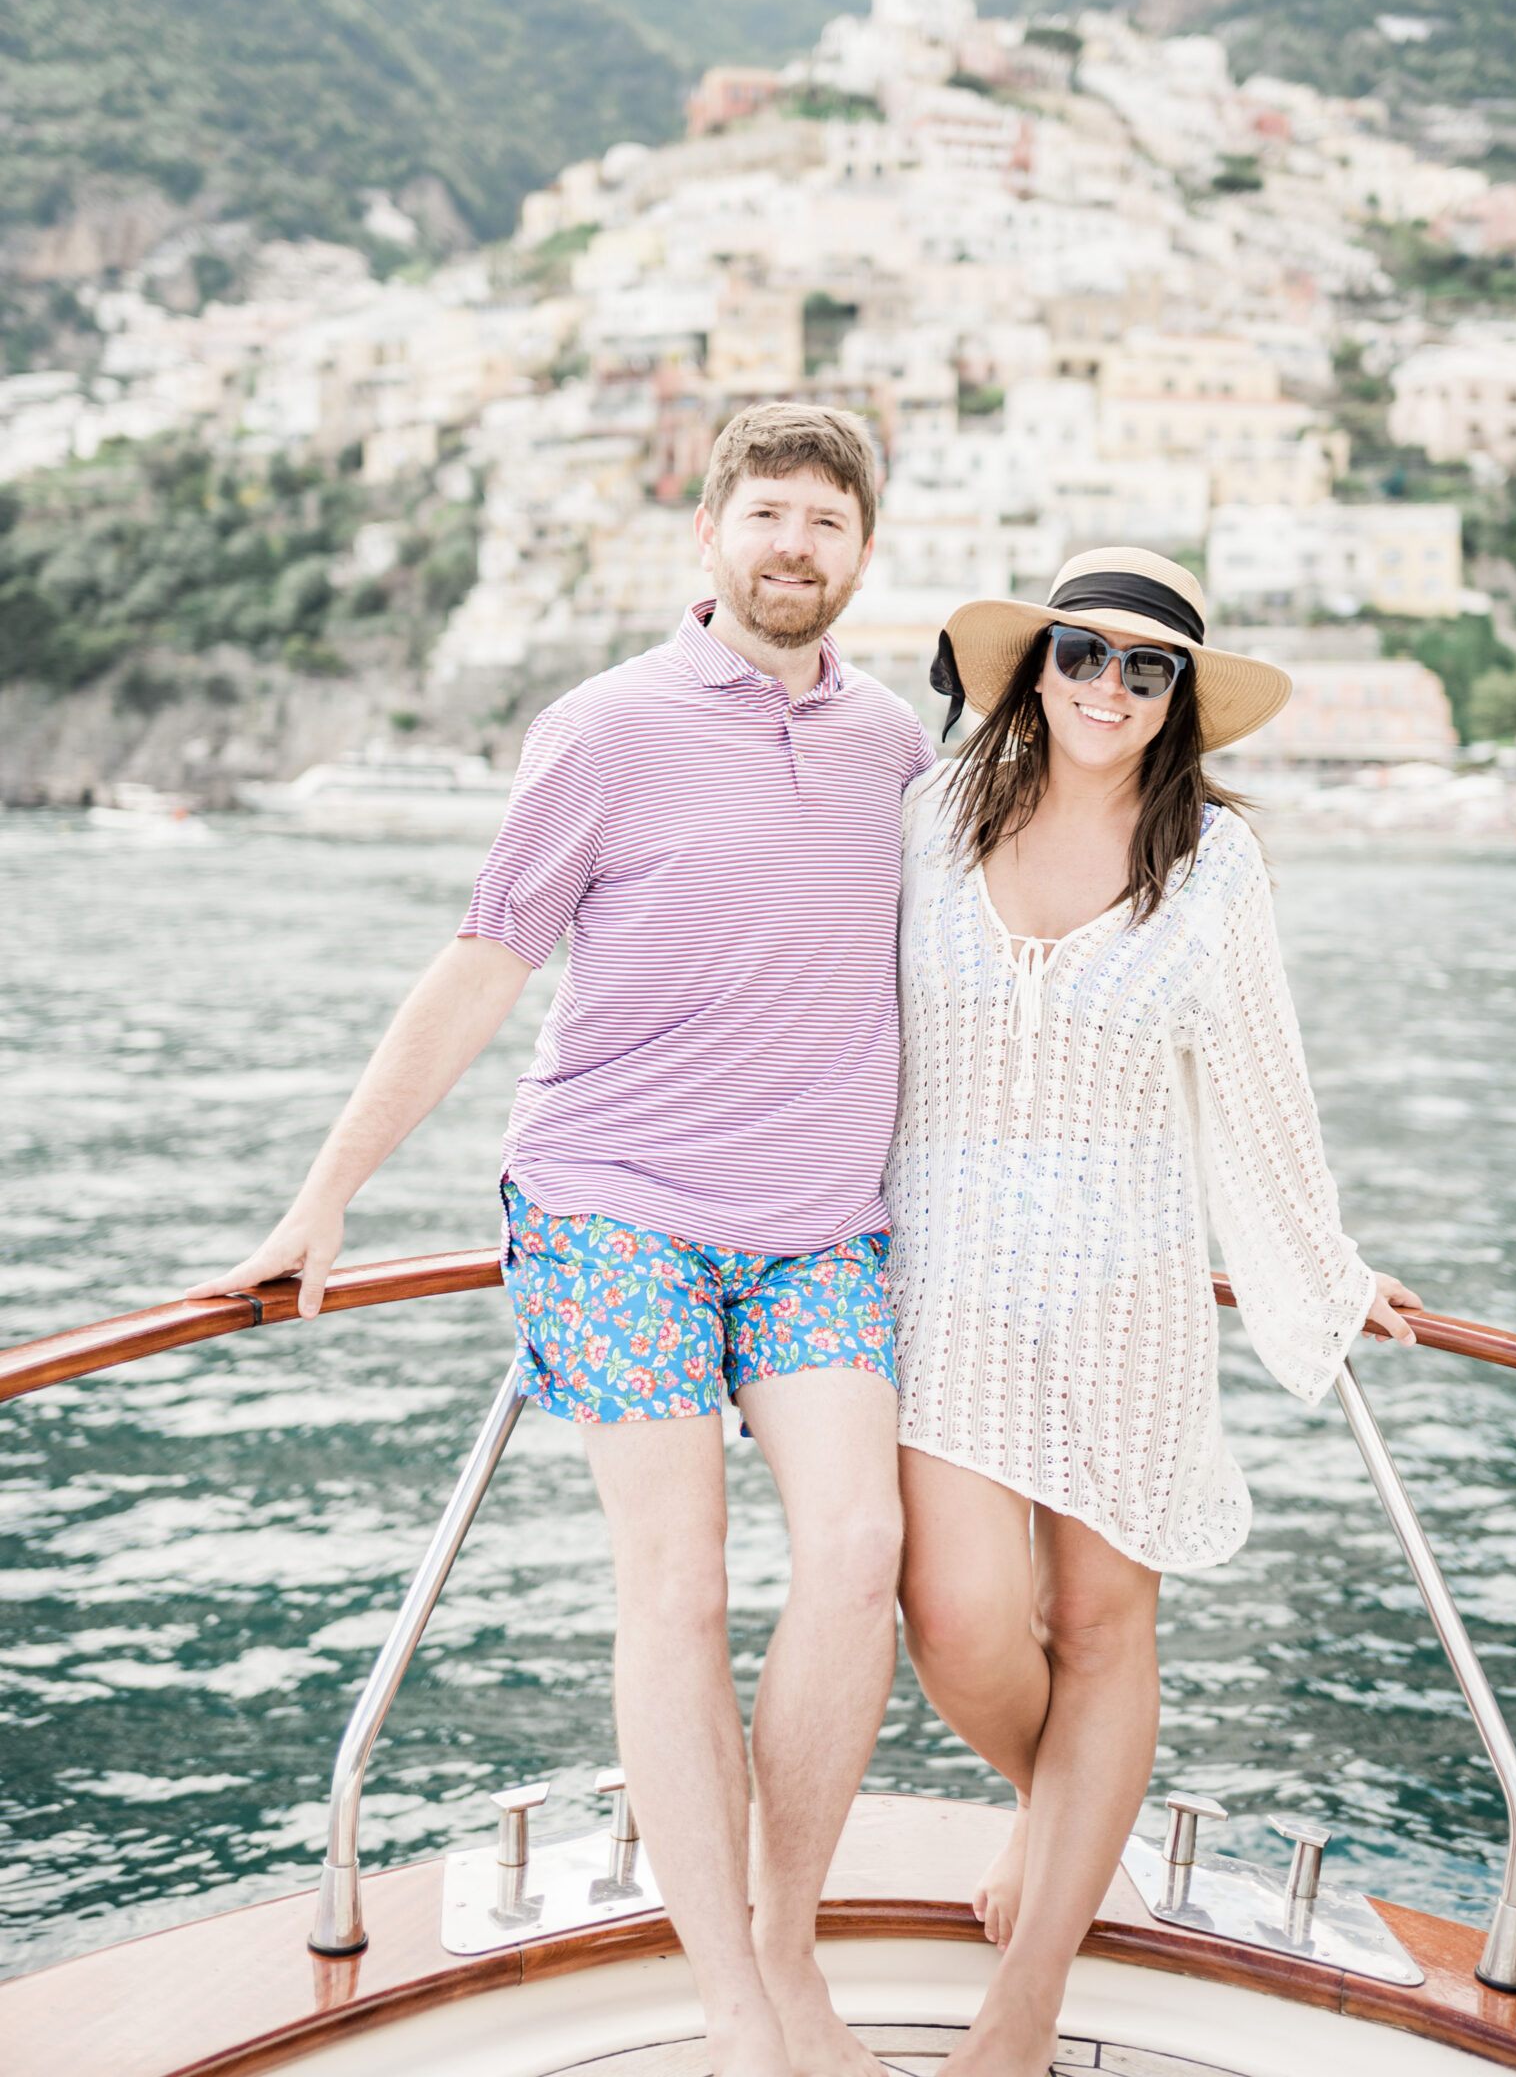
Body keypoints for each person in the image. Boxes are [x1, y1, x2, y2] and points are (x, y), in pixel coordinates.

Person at [188, 402, 937, 2077]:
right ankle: (737, 2007)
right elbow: (480, 965)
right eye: (766, 513)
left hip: (820, 1227)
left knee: (860, 1560)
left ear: (863, 553)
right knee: (674, 1588)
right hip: (613, 1211)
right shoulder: (601, 728)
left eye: (826, 520)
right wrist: (323, 1205)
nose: (794, 545)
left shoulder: (894, 740)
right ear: (708, 533)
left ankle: (789, 1941)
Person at [888, 546, 1422, 2077]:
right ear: (1033, 667)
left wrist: (1323, 1264)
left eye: (1146, 667)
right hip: (944, 1284)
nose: (1109, 687)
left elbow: (1261, 1082)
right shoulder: (930, 820)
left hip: (1127, 1291)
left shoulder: (1216, 863)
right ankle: (1071, 1824)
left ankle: (1027, 2001)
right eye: (1082, 655)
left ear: (1180, 696)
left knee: (1107, 1628)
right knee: (963, 1621)